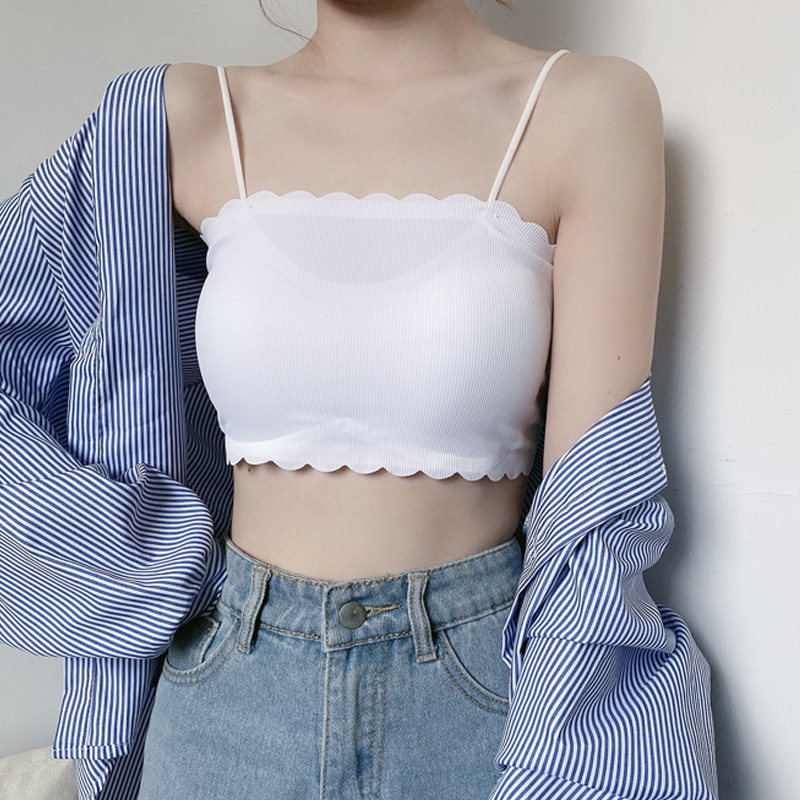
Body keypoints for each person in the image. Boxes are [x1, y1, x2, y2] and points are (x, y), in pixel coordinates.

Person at [0, 3, 718, 799]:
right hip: (223, 706)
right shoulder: (172, 118)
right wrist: (142, 561)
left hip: (482, 702)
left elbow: (595, 510)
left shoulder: (586, 105)